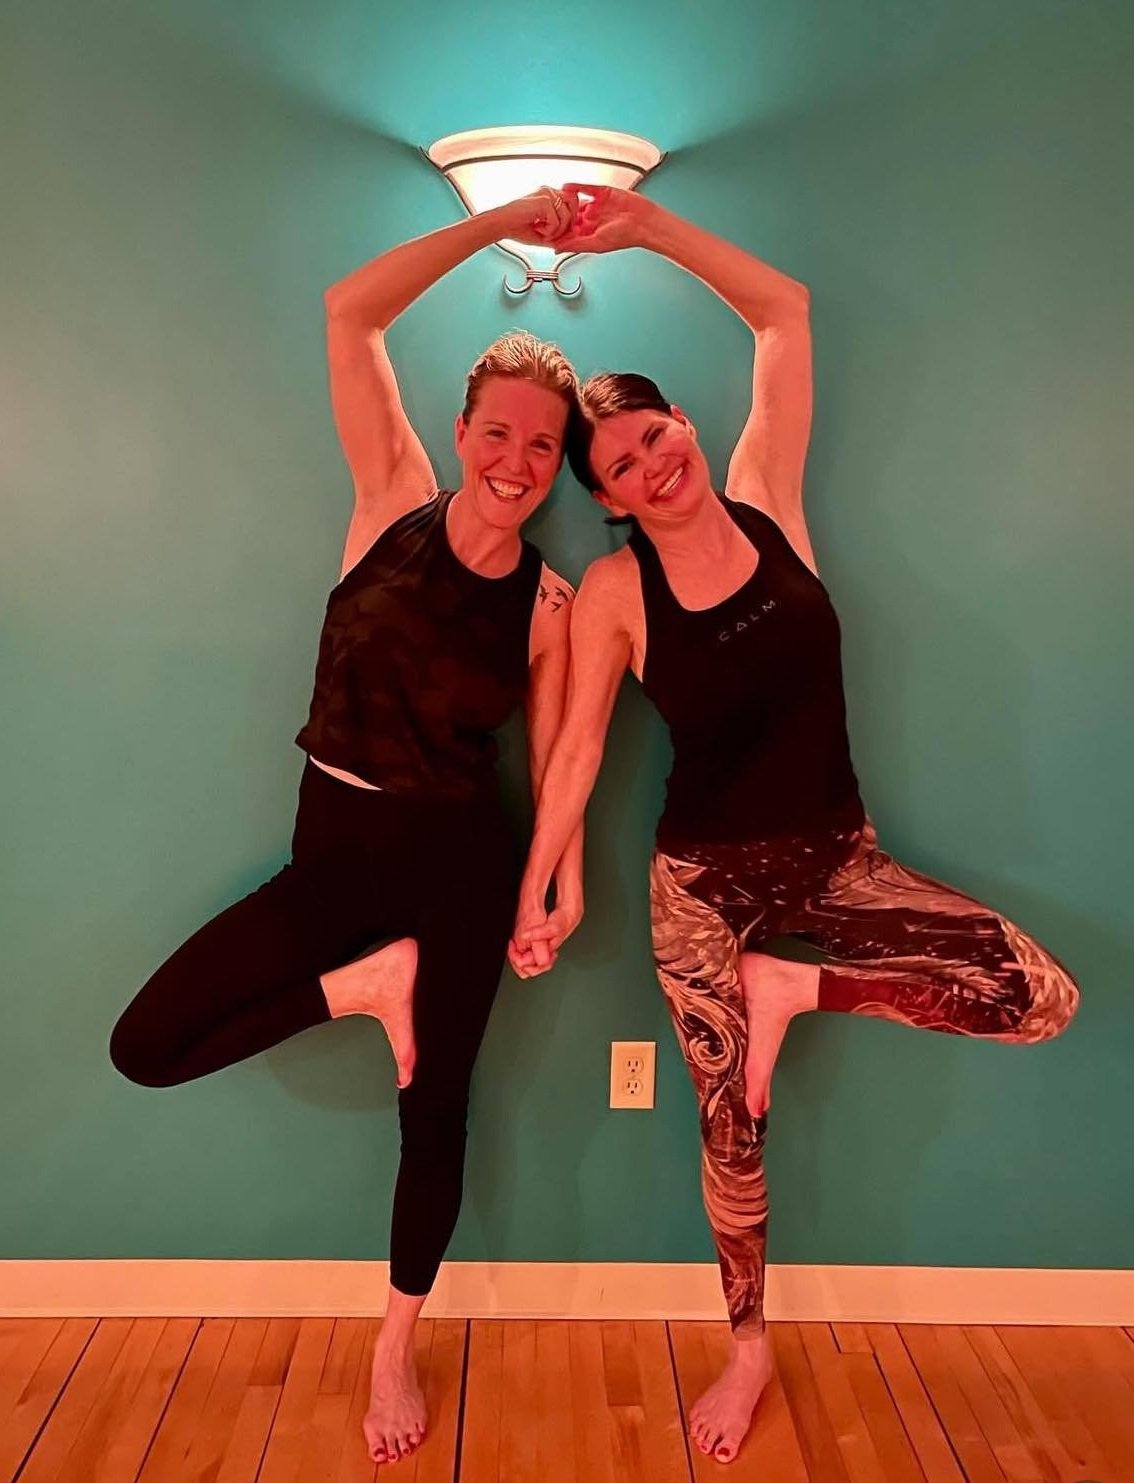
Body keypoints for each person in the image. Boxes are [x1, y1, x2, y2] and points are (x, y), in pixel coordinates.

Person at [510, 185, 1079, 1464]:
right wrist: (537, 886)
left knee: (1033, 997)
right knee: (730, 1130)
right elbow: (580, 752)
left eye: (655, 437)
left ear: (684, 426)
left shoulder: (768, 496)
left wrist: (646, 230)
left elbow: (783, 315)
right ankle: (748, 1346)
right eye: (621, 469)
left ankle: (795, 993)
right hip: (702, 890)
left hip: (840, 861)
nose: (651, 467)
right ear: (605, 497)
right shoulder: (615, 588)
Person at [110, 189, 584, 1467]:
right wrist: (502, 226)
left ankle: (392, 1340)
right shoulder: (391, 500)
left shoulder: (546, 600)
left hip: (460, 869)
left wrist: (552, 886)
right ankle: (363, 987)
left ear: (559, 463)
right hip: (333, 854)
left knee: (438, 1112)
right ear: (464, 427)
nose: (518, 461)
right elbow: (349, 311)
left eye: (545, 447)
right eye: (501, 432)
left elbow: (553, 759)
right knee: (144, 1045)